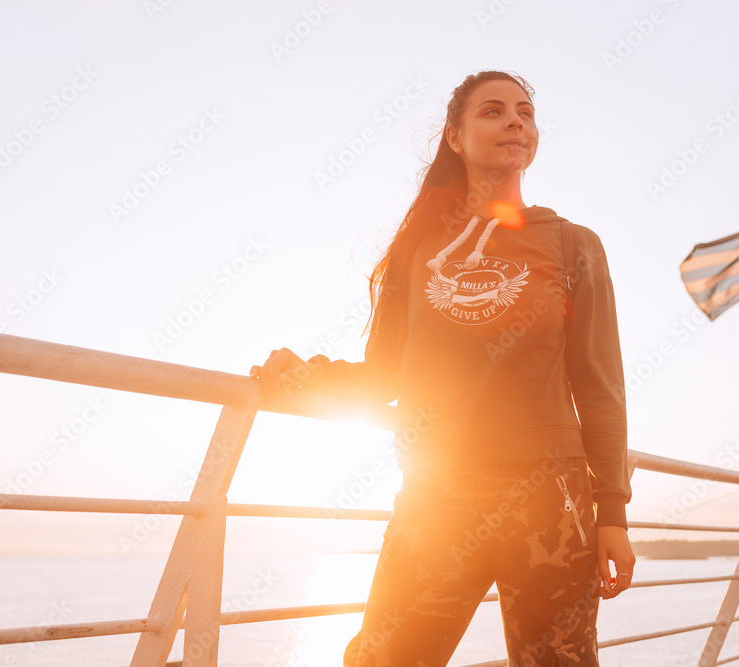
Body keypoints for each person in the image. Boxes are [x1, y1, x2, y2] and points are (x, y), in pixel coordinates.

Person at [252, 70, 634, 667]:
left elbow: (601, 387)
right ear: (454, 136)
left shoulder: (571, 245)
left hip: (552, 502)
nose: (515, 122)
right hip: (438, 494)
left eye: (525, 112)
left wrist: (612, 513)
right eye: (493, 111)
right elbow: (385, 378)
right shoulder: (418, 250)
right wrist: (311, 375)